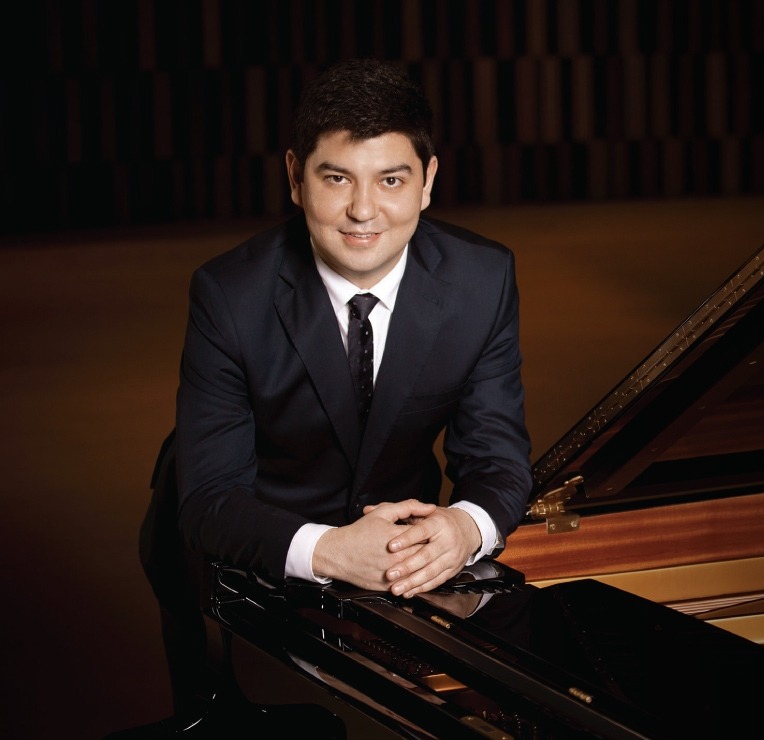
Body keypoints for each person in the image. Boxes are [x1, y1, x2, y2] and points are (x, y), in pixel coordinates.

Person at [119, 58, 533, 737]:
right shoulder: (229, 294)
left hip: (394, 551)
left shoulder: (482, 279)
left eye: (391, 180)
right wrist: (330, 551)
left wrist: (466, 527)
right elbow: (210, 500)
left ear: (428, 182)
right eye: (336, 178)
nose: (363, 210)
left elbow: (498, 456)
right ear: (295, 177)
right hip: (237, 546)